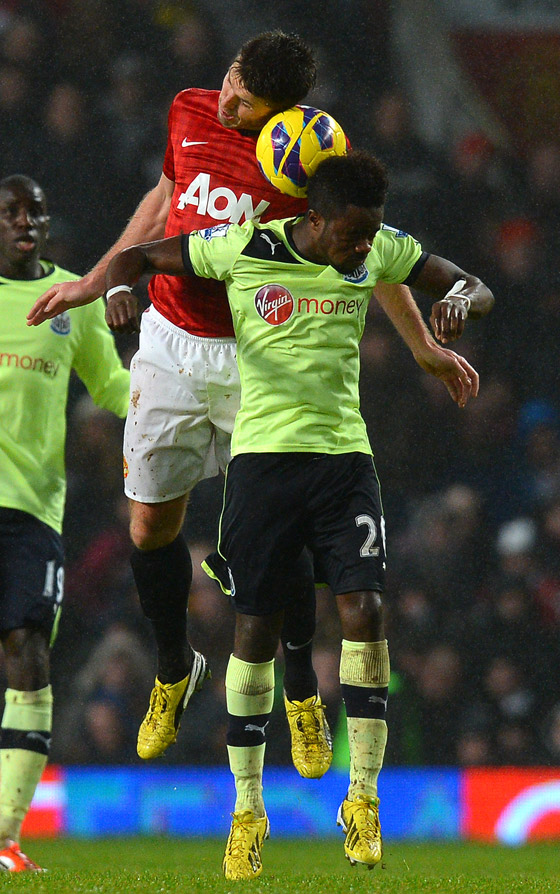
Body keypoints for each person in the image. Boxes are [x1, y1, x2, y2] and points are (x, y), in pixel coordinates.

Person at [102, 149, 493, 878]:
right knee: (255, 628)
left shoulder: (377, 248)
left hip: (345, 462)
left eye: (371, 233)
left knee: (366, 610)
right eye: (352, 233)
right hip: (262, 465)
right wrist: (118, 291)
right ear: (314, 219)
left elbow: (475, 284)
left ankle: (362, 800)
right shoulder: (244, 247)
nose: (363, 247)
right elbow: (142, 256)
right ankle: (247, 812)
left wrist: (460, 303)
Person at [27, 29, 335, 778]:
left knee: (279, 531)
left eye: (248, 101)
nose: (228, 100)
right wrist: (98, 279)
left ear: (283, 112)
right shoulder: (189, 109)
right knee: (148, 526)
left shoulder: (311, 161)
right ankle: (175, 667)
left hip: (258, 358)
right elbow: (165, 199)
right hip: (170, 343)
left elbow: (365, 244)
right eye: (230, 80)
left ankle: (300, 690)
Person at [0, 175, 130, 872]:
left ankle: (4, 838)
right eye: (12, 212)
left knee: (27, 655)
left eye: (37, 211)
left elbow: (110, 386)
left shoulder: (72, 301)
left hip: (32, 512)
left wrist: (174, 399)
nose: (26, 221)